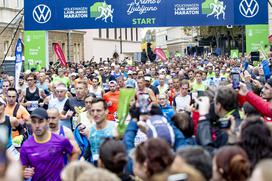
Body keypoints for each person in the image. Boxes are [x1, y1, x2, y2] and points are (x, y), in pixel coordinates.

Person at [20, 108, 79, 181]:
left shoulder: (61, 140)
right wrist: (24, 174)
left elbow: (75, 152)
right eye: (34, 122)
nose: (37, 125)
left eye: (41, 121)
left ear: (47, 122)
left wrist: (70, 171)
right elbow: (21, 171)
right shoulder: (26, 146)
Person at [89, 98, 117, 164]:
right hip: (95, 169)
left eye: (98, 110)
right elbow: (90, 148)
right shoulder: (89, 130)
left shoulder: (115, 128)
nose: (95, 114)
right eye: (92, 111)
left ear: (106, 111)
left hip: (112, 169)